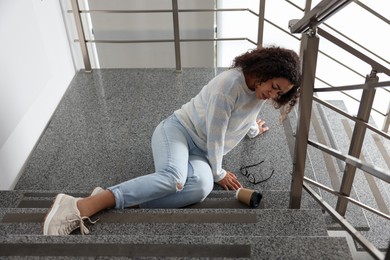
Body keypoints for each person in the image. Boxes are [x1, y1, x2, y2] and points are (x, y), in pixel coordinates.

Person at [43, 46, 302, 236]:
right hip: (177, 131)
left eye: (280, 93)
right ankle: (81, 204)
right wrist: (219, 172)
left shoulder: (258, 92)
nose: (272, 95)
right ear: (265, 71)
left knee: (200, 189)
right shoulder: (229, 85)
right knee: (172, 178)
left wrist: (253, 130)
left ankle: (117, 198)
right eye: (274, 86)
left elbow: (242, 119)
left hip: (201, 152)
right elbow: (216, 133)